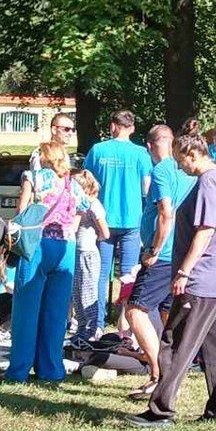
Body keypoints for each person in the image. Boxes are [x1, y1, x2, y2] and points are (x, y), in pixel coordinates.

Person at [128, 134, 216, 428]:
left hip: (202, 280)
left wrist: (184, 271)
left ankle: (160, 411)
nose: (180, 167)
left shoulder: (208, 182)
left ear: (193, 154)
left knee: (175, 343)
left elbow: (205, 230)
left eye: (180, 160)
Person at [6, 141, 82, 383]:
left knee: (26, 311)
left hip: (37, 245)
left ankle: (19, 370)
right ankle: (51, 369)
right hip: (66, 248)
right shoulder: (73, 183)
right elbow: (84, 210)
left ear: (42, 157)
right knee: (57, 314)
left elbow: (22, 212)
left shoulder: (33, 177)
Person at [127, 124, 193, 402]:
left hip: (163, 255)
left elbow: (166, 212)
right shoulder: (188, 171)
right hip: (181, 255)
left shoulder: (162, 170)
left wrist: (154, 249)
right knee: (168, 316)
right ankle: (170, 376)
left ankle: (158, 375)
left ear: (151, 145)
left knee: (136, 311)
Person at [82, 111, 151, 336]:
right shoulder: (141, 153)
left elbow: (85, 181)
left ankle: (97, 324)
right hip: (132, 220)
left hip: (103, 220)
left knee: (99, 275)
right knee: (129, 276)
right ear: (131, 128)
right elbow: (147, 187)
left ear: (113, 126)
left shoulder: (98, 150)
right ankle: (126, 325)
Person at [68, 170, 113, 346]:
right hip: (76, 252)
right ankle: (81, 330)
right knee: (77, 294)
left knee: (88, 293)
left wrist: (94, 239)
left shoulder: (94, 205)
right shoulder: (77, 204)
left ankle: (92, 330)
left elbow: (105, 232)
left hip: (88, 253)